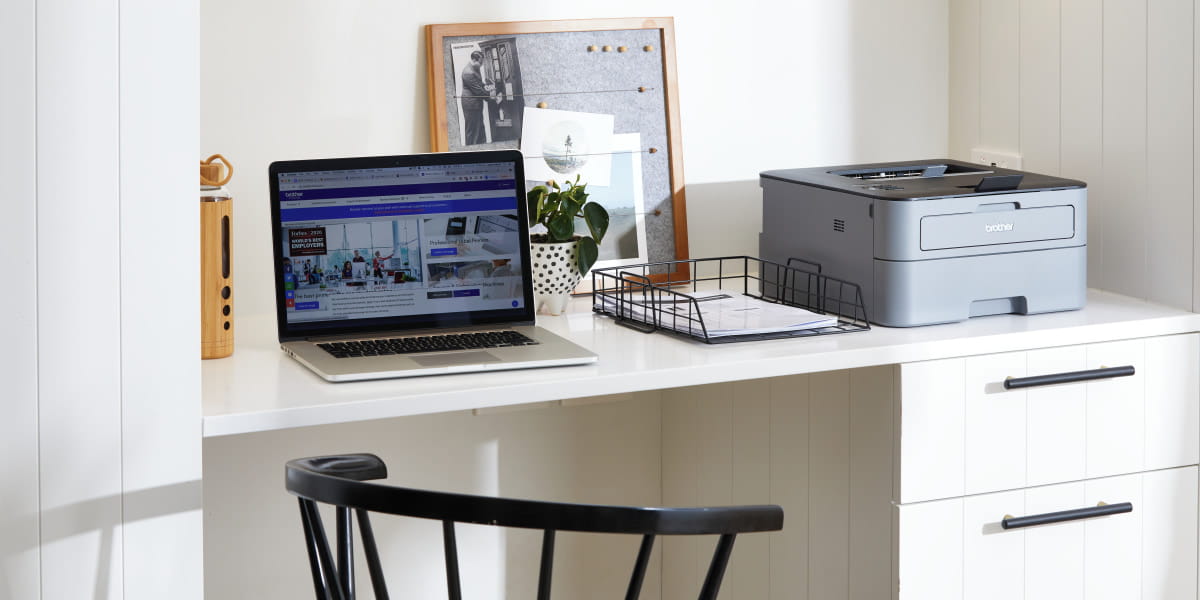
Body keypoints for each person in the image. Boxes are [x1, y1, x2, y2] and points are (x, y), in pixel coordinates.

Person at [460, 50, 491, 145]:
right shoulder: (467, 72)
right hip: (471, 105)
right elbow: (478, 91)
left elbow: (479, 82)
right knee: (472, 131)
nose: (481, 65)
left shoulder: (475, 67)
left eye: (482, 63)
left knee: (479, 129)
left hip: (476, 103)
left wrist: (485, 85)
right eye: (480, 62)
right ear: (474, 59)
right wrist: (491, 97)